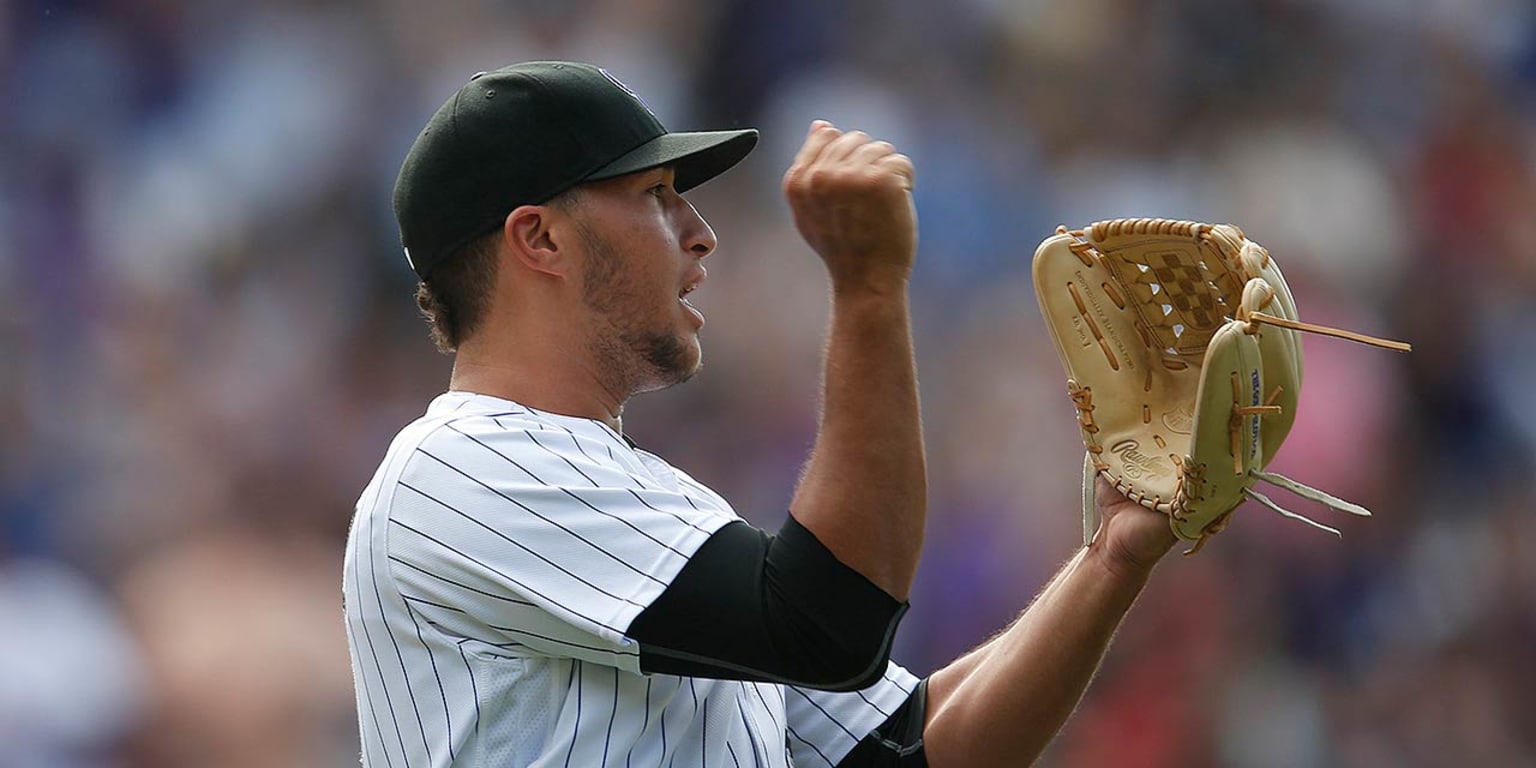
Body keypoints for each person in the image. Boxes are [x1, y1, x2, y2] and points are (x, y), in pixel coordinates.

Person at [343, 60, 1177, 768]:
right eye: (656, 194)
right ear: (541, 240)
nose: (699, 233)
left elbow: (915, 747)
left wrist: (1111, 558)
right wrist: (867, 285)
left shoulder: (630, 496)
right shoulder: (457, 469)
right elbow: (831, 619)